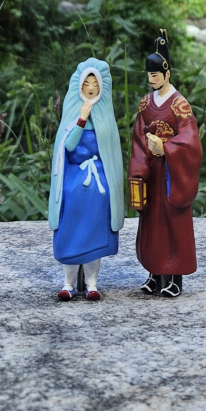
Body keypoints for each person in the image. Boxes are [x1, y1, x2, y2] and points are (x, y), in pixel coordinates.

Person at [128, 30, 203, 298]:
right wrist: (139, 170)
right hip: (152, 173)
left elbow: (191, 142)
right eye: (149, 76)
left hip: (172, 175)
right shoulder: (146, 103)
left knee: (173, 224)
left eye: (156, 76)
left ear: (167, 74)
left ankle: (174, 280)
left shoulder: (180, 105)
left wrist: (168, 148)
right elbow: (138, 138)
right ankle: (153, 273)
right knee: (152, 225)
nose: (152, 81)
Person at [48, 58, 124, 301]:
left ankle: (92, 282)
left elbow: (109, 154)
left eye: (95, 84)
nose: (91, 88)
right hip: (74, 182)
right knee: (71, 229)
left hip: (97, 184)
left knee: (95, 231)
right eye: (86, 83)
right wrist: (81, 120)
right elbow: (68, 146)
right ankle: (69, 282)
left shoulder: (105, 118)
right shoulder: (73, 113)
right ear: (79, 87)